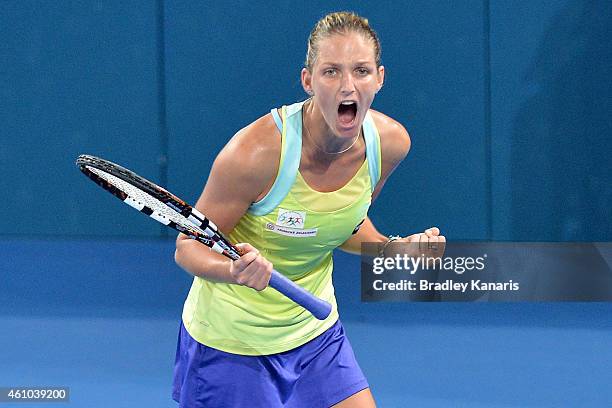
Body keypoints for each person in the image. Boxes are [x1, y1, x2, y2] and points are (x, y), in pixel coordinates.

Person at [172, 11, 445, 408]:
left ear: (380, 79)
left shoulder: (390, 144)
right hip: (232, 347)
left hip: (316, 337)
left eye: (361, 71)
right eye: (331, 71)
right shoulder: (255, 154)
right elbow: (187, 246)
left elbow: (345, 226)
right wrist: (232, 270)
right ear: (308, 80)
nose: (348, 85)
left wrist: (391, 249)